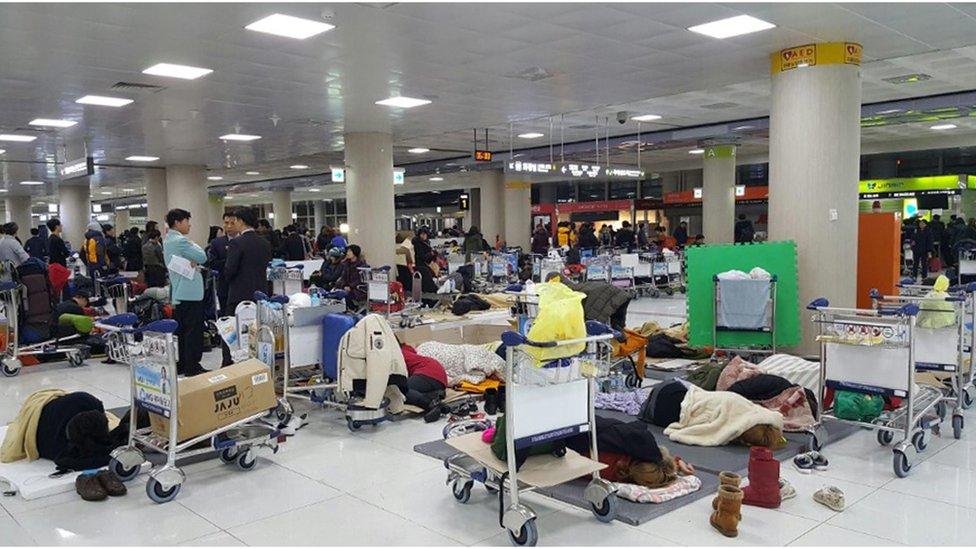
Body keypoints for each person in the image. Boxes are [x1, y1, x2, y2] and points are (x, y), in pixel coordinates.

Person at [222, 207, 272, 366]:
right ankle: (255, 363)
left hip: (238, 294)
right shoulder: (264, 242)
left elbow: (230, 270)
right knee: (255, 331)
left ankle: (229, 364)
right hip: (259, 292)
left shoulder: (236, 243)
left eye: (235, 221)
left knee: (233, 331)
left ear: (241, 221)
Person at [163, 209, 208, 376]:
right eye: (187, 221)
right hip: (190, 293)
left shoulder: (168, 240)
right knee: (193, 331)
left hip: (179, 292)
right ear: (177, 222)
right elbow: (202, 256)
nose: (189, 224)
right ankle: (192, 366)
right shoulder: (181, 241)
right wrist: (193, 245)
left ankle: (182, 365)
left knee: (181, 331)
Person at [207, 220, 234, 317]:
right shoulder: (217, 243)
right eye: (226, 223)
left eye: (232, 223)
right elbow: (212, 263)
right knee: (226, 318)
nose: (229, 226)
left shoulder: (245, 241)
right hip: (224, 286)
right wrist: (231, 260)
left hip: (244, 288)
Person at [340, 244, 368, 311]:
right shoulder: (346, 264)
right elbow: (343, 277)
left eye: (350, 251)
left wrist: (351, 287)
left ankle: (353, 308)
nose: (347, 253)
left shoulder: (362, 265)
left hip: (357, 289)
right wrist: (344, 285)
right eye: (347, 251)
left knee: (345, 295)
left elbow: (361, 279)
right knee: (336, 293)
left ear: (355, 252)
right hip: (348, 287)